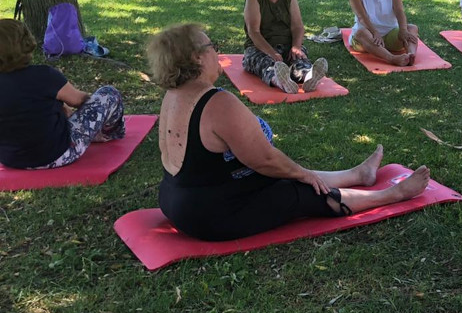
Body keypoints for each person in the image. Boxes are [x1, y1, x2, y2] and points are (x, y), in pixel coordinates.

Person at [149, 23, 432, 241]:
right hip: (209, 216)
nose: (217, 51)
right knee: (294, 190)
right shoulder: (218, 102)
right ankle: (392, 195)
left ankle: (358, 175)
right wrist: (303, 174)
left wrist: (295, 171)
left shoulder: (172, 95)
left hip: (176, 201)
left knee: (278, 176)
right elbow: (266, 160)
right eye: (212, 46)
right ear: (198, 59)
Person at [0, 19, 126, 169]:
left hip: (11, 160)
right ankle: (110, 132)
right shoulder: (44, 75)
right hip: (59, 155)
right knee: (109, 93)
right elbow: (79, 100)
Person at [242, 0, 328, 95]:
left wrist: (296, 47)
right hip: (260, 48)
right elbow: (254, 32)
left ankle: (309, 77)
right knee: (266, 64)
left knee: (298, 60)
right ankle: (281, 81)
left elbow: (298, 27)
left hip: (287, 45)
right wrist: (272, 53)